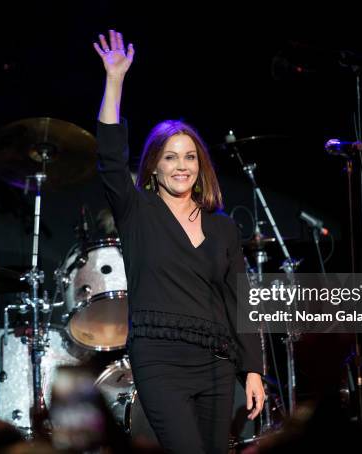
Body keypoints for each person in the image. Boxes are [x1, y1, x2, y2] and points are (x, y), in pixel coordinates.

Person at [92, 29, 264, 454]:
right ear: (154, 166)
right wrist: (115, 79)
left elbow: (239, 302)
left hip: (216, 363)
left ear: (201, 165)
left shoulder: (222, 227)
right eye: (170, 157)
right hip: (160, 360)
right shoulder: (138, 212)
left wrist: (254, 371)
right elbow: (110, 156)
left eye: (189, 157)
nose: (181, 166)